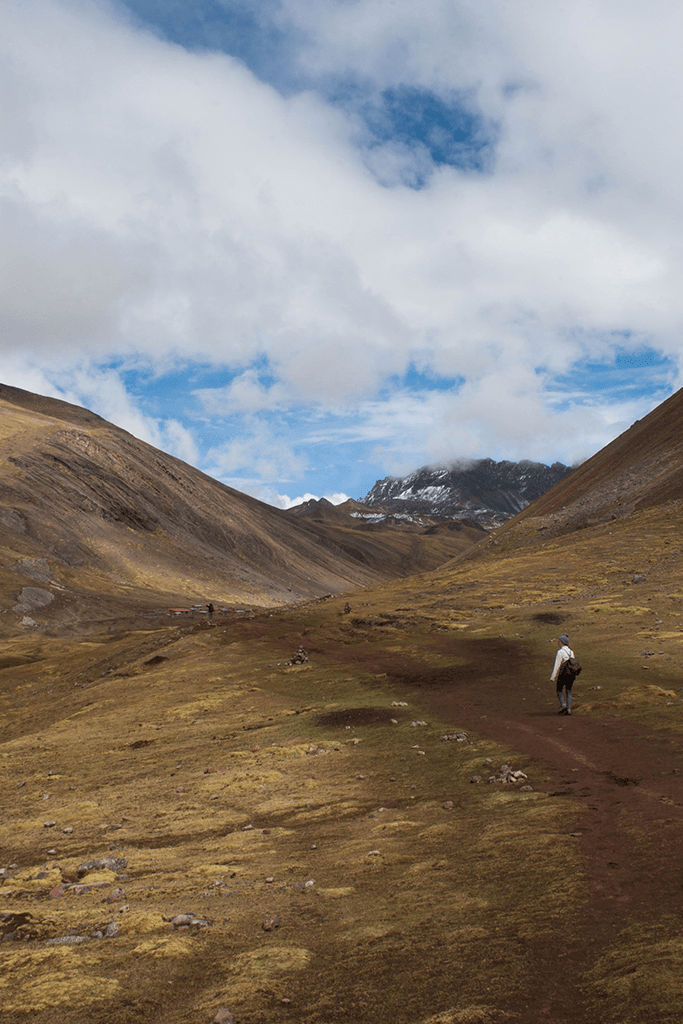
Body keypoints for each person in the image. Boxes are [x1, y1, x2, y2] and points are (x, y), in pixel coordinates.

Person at [551, 633, 575, 715]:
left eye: (559, 641)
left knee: (559, 690)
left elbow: (557, 665)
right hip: (571, 675)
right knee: (569, 691)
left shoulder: (560, 652)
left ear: (562, 642)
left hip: (563, 674)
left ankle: (563, 704)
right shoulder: (571, 652)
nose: (558, 643)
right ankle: (569, 709)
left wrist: (553, 677)